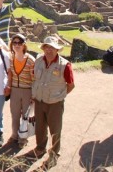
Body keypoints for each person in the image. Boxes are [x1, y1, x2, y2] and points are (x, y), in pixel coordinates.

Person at [31, 36, 75, 169]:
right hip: (39, 101)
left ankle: (54, 154)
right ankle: (40, 147)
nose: (49, 50)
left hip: (55, 103)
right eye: (47, 47)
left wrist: (60, 96)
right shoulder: (38, 61)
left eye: (52, 48)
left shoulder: (64, 65)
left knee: (55, 130)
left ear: (57, 49)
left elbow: (71, 85)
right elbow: (34, 78)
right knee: (40, 127)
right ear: (43, 48)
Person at [7, 33, 35, 147]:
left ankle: (23, 138)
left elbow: (34, 78)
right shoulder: (10, 58)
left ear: (24, 45)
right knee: (15, 114)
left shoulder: (30, 60)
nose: (17, 45)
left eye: (19, 43)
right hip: (15, 90)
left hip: (27, 90)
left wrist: (33, 94)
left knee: (26, 115)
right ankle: (14, 135)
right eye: (15, 43)